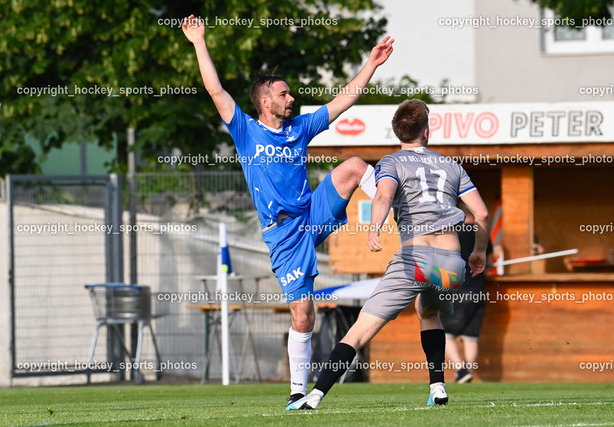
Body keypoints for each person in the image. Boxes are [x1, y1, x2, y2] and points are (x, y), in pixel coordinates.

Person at [181, 16, 394, 406]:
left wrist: (372, 64)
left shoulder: (300, 128)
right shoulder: (246, 130)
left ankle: (396, 208)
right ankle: (298, 391)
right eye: (283, 94)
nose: (291, 98)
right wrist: (198, 41)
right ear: (265, 101)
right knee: (303, 313)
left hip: (311, 212)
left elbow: (344, 99)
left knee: (355, 165)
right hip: (283, 234)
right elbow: (215, 90)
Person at [287, 99, 490, 410]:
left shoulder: (392, 162)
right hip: (451, 264)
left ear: (398, 132)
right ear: (427, 132)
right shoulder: (452, 166)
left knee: (359, 331)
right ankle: (437, 387)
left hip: (415, 258)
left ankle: (313, 397)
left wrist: (373, 228)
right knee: (429, 312)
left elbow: (382, 195)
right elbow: (483, 214)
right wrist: (477, 251)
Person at [437, 201, 492, 384]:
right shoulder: (481, 234)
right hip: (478, 290)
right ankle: (467, 372)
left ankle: (461, 370)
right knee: (470, 336)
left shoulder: (451, 233)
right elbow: (488, 263)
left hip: (456, 290)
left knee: (445, 333)